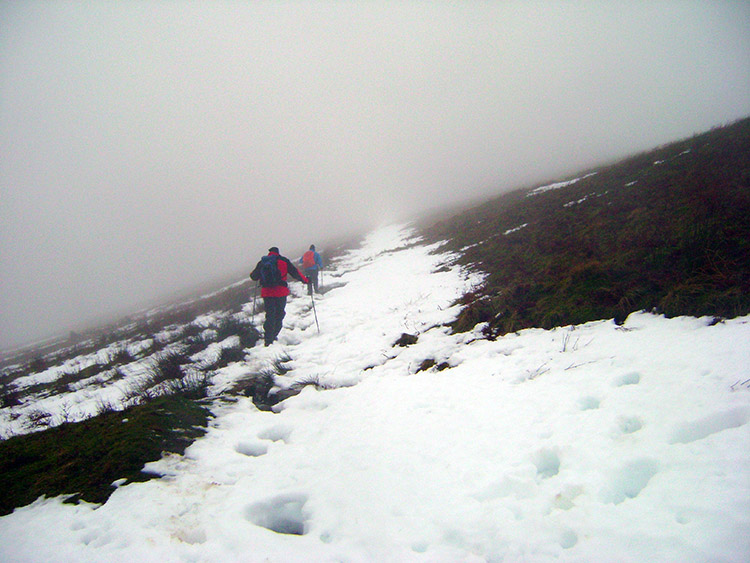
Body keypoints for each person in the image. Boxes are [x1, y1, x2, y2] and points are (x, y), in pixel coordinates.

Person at [250, 247, 309, 346]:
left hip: (267, 293)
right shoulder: (283, 261)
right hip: (280, 292)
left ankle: (268, 339)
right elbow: (295, 273)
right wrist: (306, 280)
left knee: (270, 315)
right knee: (279, 313)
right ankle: (274, 335)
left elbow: (253, 276)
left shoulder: (262, 262)